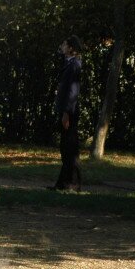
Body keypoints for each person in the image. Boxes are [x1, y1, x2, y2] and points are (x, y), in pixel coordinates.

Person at [53, 35, 83, 191]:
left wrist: (66, 112)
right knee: (66, 148)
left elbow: (72, 91)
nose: (62, 46)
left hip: (69, 112)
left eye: (64, 44)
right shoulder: (69, 64)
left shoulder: (74, 65)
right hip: (66, 110)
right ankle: (65, 182)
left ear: (71, 48)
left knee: (69, 148)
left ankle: (72, 183)